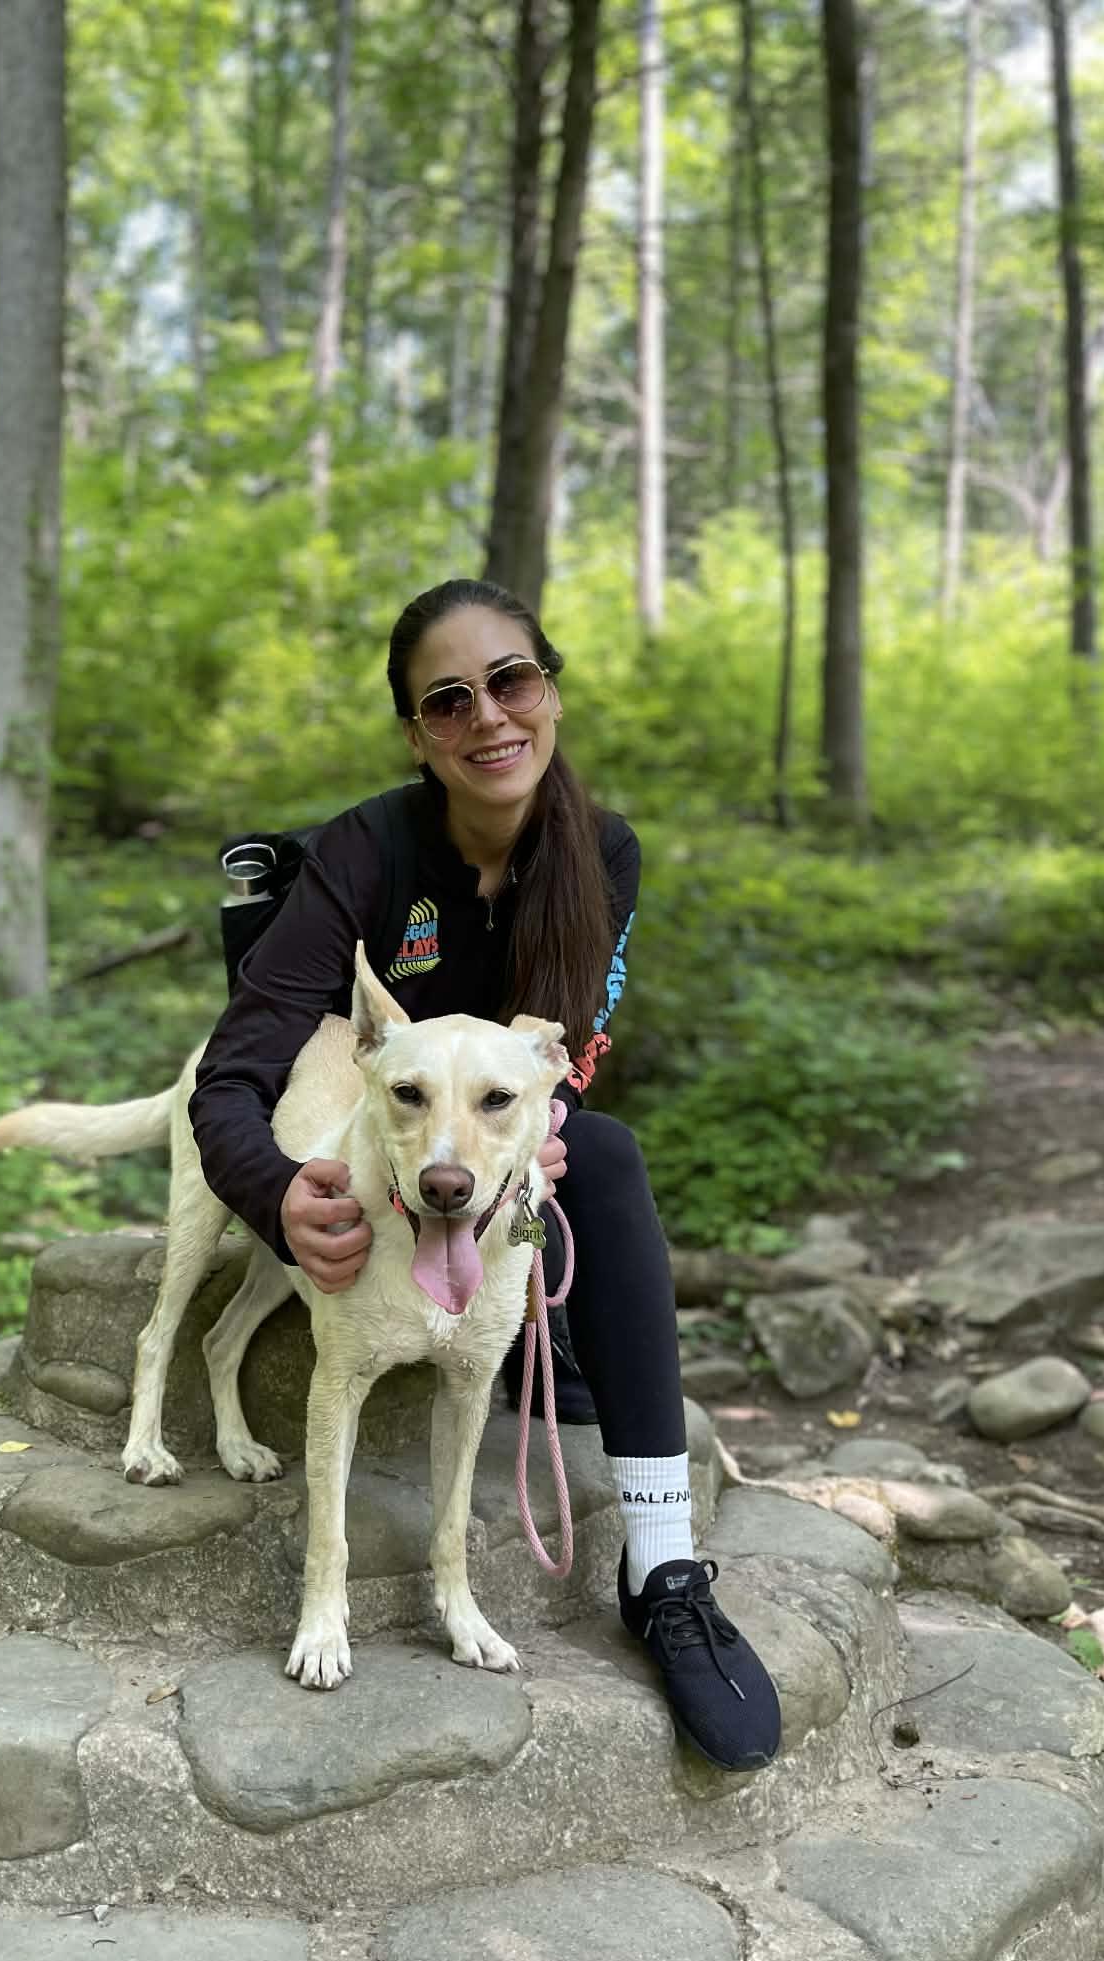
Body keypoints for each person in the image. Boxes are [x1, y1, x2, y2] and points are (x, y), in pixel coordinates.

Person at [188, 576, 780, 1773]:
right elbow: (234, 1075)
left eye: (512, 680)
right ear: (418, 732)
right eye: (447, 698)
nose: (489, 717)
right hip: (378, 1124)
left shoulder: (602, 854)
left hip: (495, 1145)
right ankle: (537, 1365)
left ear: (549, 688)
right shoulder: (365, 853)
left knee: (602, 1153)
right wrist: (276, 1192)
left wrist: (539, 1138)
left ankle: (661, 1562)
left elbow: (568, 1056)